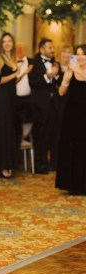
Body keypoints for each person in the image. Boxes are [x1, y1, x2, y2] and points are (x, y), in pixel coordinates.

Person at [0, 33, 20, 178]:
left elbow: (15, 81)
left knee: (9, 132)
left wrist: (21, 74)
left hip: (12, 98)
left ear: (13, 43)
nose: (7, 44)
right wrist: (16, 74)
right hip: (2, 99)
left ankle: (8, 164)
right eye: (4, 42)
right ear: (1, 44)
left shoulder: (14, 58)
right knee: (1, 132)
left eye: (9, 41)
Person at [56, 44, 86, 195]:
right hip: (72, 114)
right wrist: (66, 79)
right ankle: (72, 184)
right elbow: (61, 92)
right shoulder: (71, 71)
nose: (80, 57)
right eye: (78, 54)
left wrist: (78, 70)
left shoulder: (79, 70)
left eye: (83, 54)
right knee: (72, 147)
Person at [28, 37, 61, 174]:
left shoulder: (54, 63)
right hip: (39, 105)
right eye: (49, 48)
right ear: (42, 49)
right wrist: (47, 76)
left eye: (52, 48)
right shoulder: (34, 63)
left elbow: (56, 83)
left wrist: (56, 75)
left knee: (49, 134)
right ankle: (38, 164)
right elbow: (32, 83)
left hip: (52, 104)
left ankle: (46, 162)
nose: (52, 50)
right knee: (39, 135)